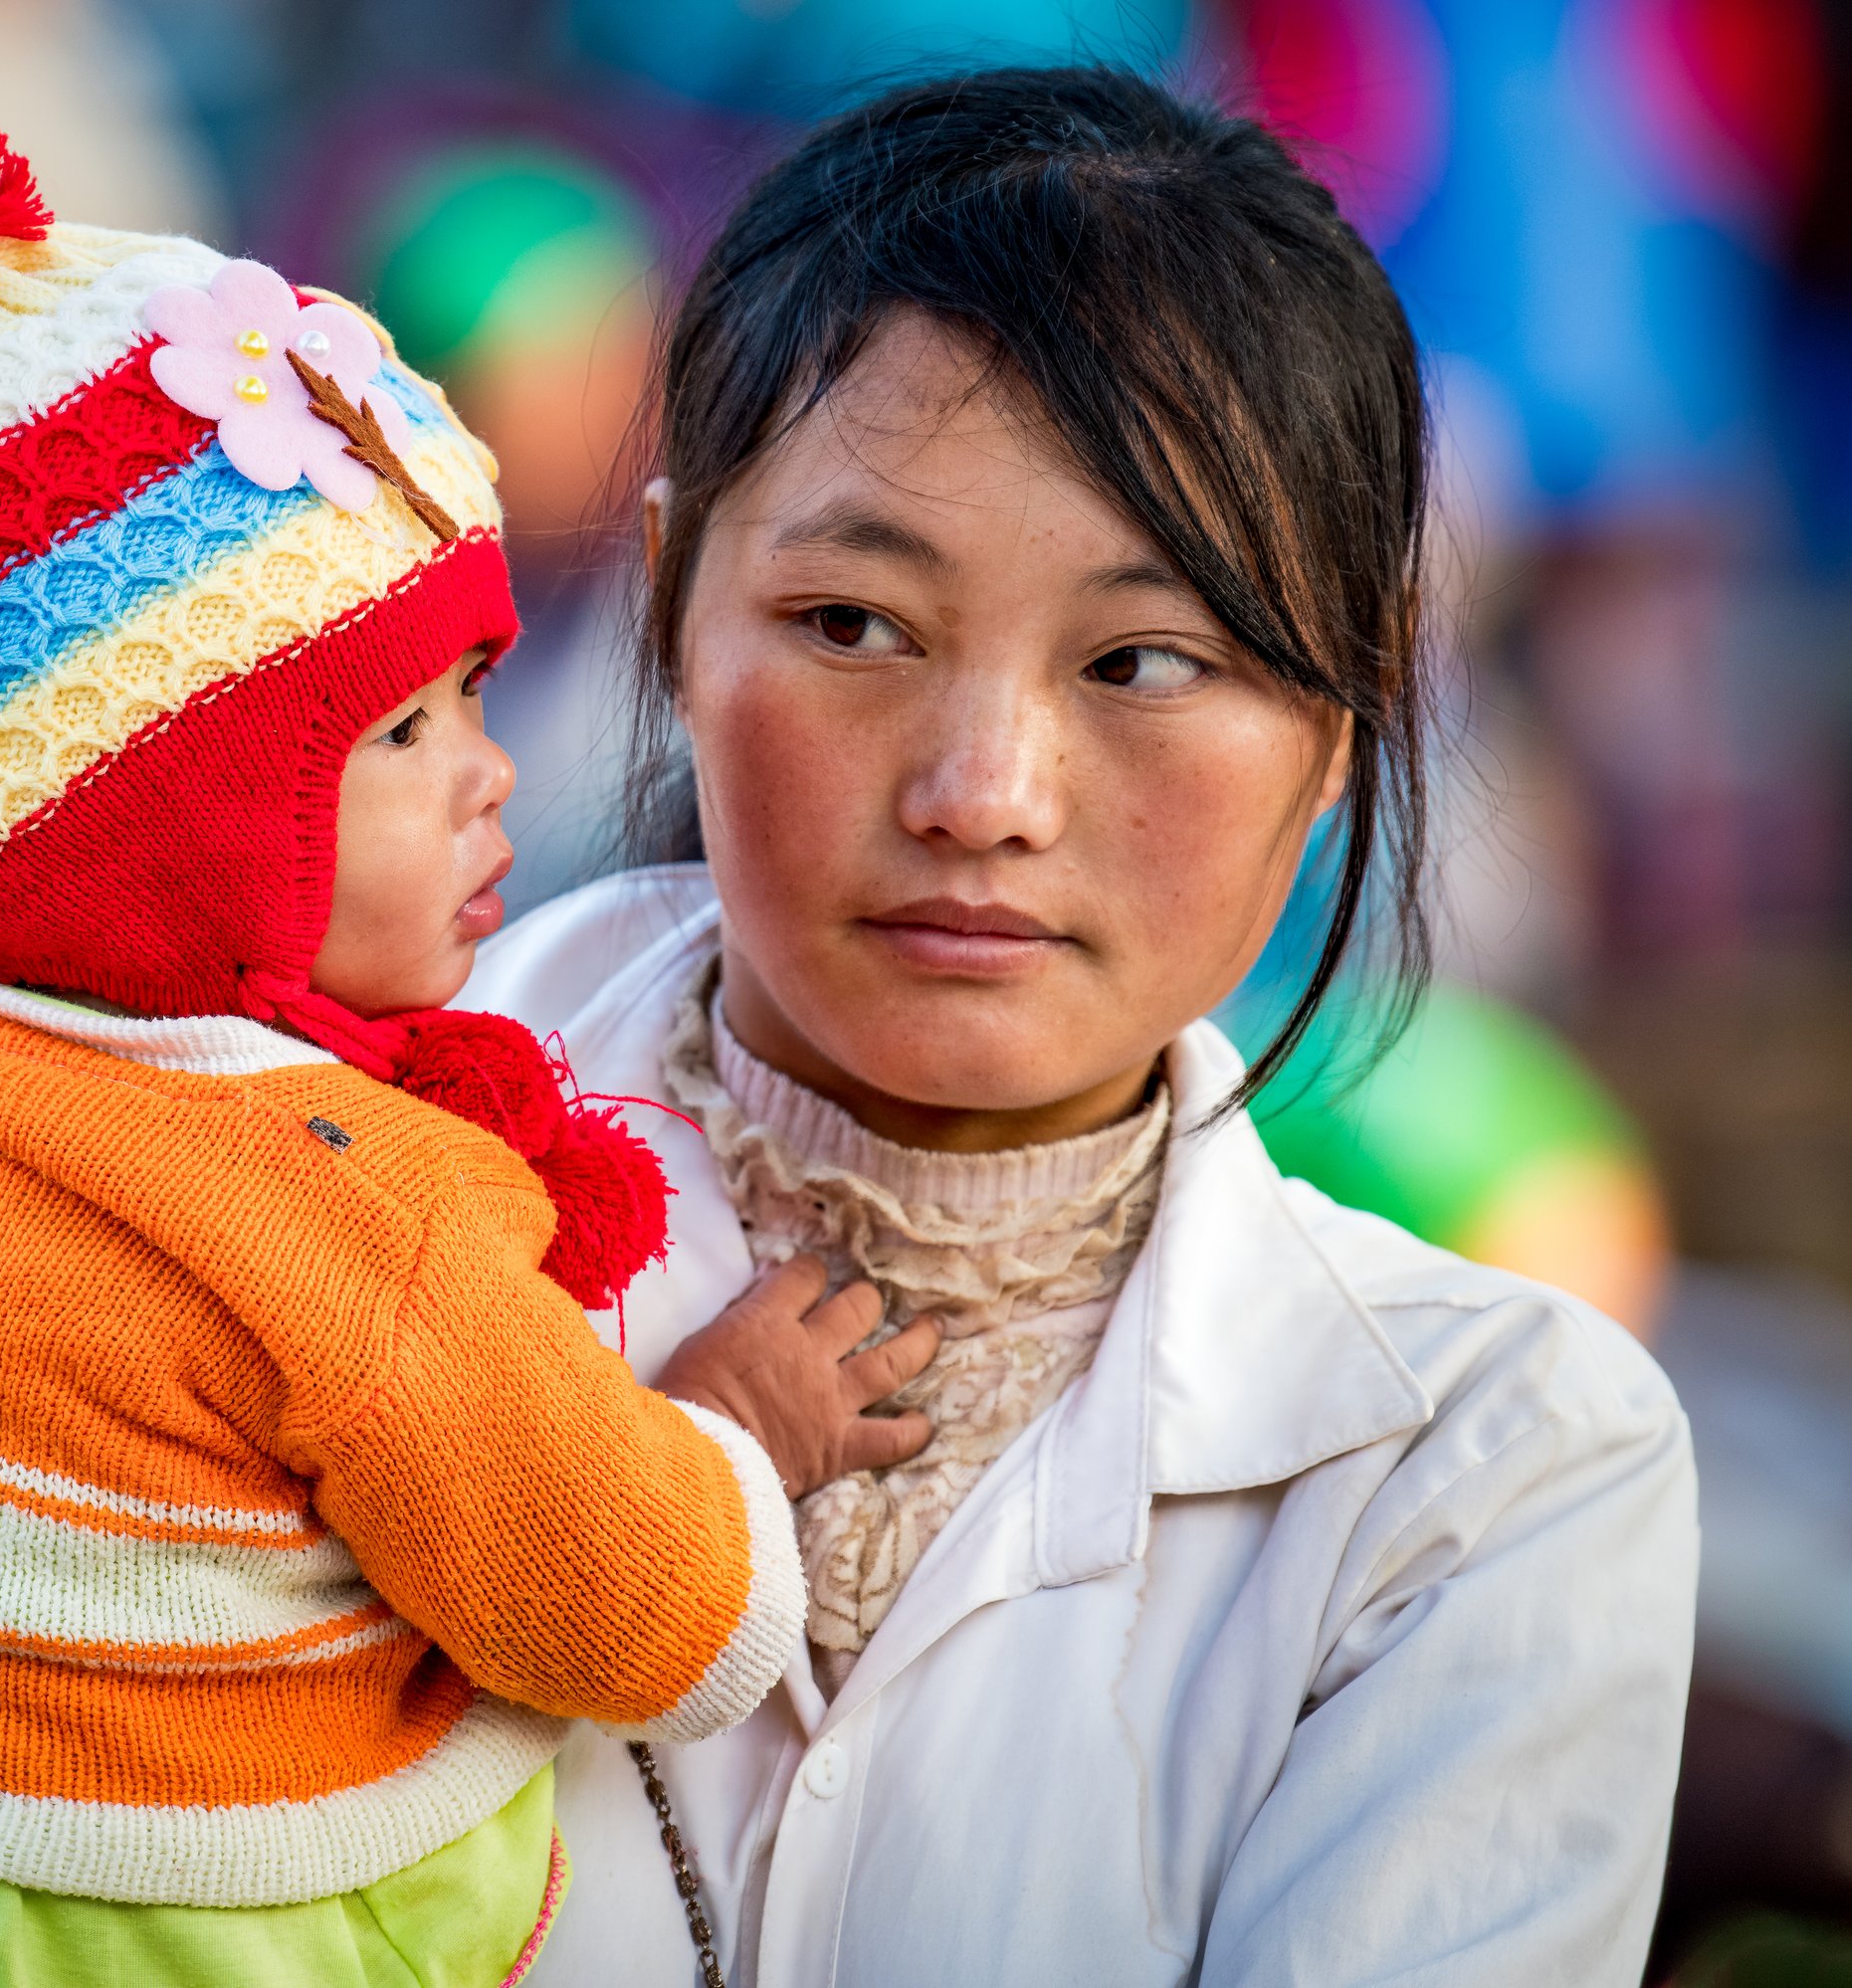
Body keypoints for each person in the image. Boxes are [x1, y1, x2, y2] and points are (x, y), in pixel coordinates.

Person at [0, 65, 941, 1988]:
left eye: (476, 692)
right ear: (144, 832)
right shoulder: (331, 1202)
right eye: (397, 731)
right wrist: (732, 1426)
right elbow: (632, 1610)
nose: (483, 782)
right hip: (175, 1918)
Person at [466, 68, 1701, 1986]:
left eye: (1145, 662)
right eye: (857, 624)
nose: (986, 792)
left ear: (1334, 735)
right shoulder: (278, 1195)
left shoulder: (1491, 1476)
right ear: (668, 611)